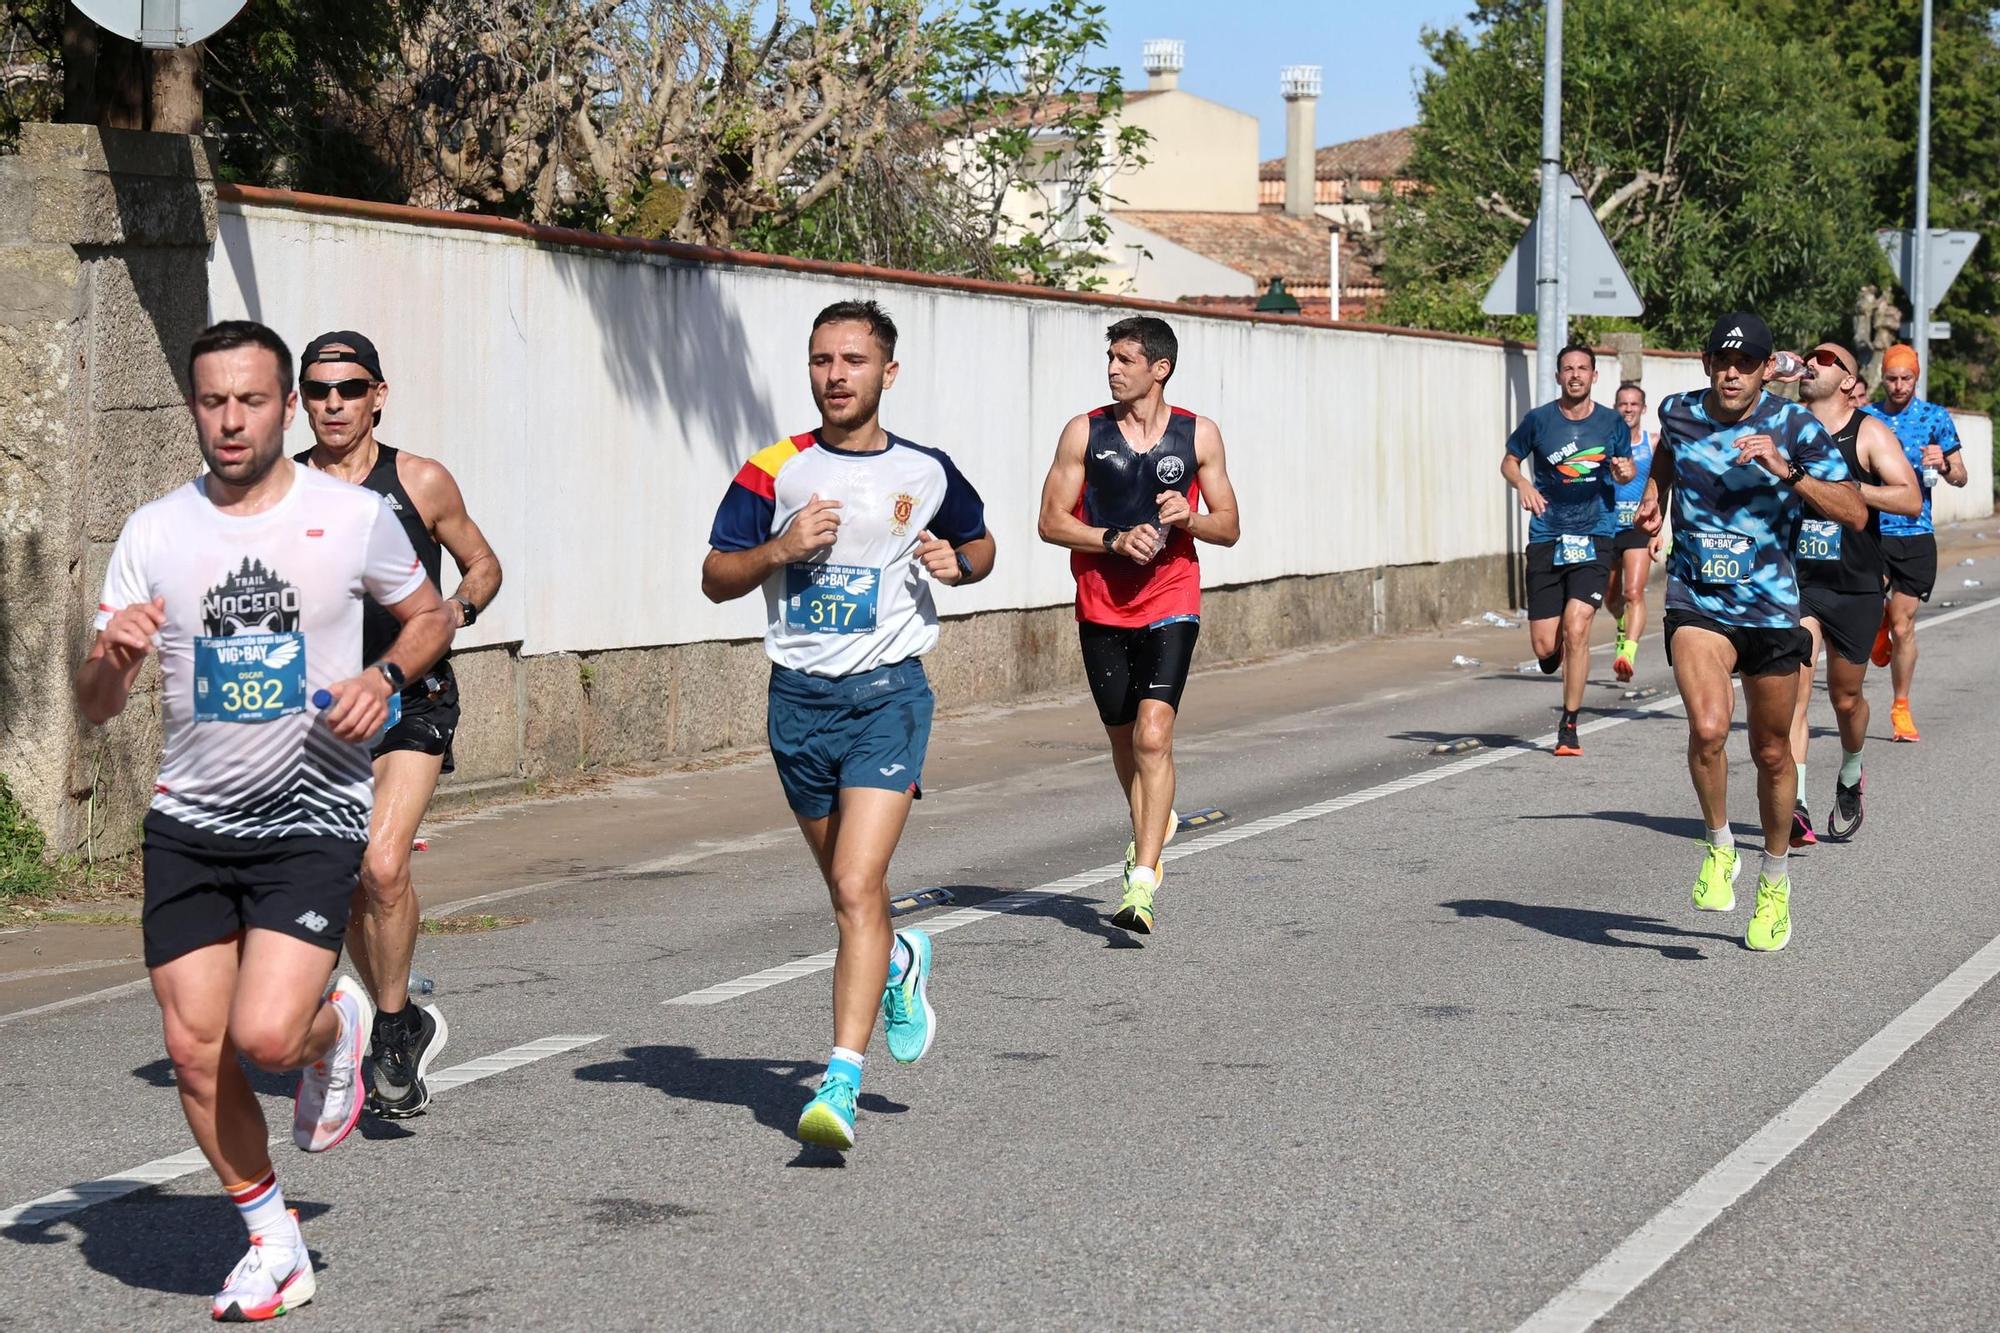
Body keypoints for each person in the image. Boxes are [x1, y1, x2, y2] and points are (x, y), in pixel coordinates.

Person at [75, 321, 451, 1319]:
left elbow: (432, 616)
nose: (231, 420)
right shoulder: (154, 531)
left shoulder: (354, 515)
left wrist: (385, 676)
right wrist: (110, 659)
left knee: (267, 1036)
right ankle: (272, 1239)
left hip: (309, 814)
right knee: (197, 1051)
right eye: (212, 401)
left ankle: (338, 1027)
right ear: (191, 407)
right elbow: (95, 702)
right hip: (189, 822)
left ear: (286, 407)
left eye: (250, 401)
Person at [702, 300, 994, 1151]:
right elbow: (717, 575)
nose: (836, 374)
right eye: (822, 359)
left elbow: (980, 547)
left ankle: (839, 1078)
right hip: (798, 701)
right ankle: (899, 960)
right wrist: (779, 550)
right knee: (846, 891)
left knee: (860, 885)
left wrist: (959, 563)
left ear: (887, 374)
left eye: (853, 360)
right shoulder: (773, 469)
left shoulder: (927, 471)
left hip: (889, 696)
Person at [293, 331, 502, 1119]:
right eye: (319, 390)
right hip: (320, 709)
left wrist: (456, 609)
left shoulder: (417, 479)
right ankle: (402, 1014)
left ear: (379, 394)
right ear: (301, 401)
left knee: (382, 866)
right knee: (349, 878)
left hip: (413, 695)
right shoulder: (282, 489)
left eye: (349, 388)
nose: (334, 403)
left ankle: (385, 1027)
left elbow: (483, 563)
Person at [1634, 312, 1863, 952]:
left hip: (1770, 610)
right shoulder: (1678, 411)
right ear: (1707, 363)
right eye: (1721, 361)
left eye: (1746, 363)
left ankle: (1775, 882)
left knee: (1770, 753)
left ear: (1766, 370)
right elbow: (1666, 454)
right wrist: (1655, 493)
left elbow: (1853, 509)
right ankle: (1718, 845)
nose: (1731, 373)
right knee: (1707, 728)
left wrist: (1787, 470)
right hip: (1698, 599)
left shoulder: (1794, 426)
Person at [1036, 316, 1241, 934]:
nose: (1113, 369)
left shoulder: (1198, 434)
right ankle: (1156, 817)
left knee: (1155, 736)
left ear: (1160, 368)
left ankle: (1143, 878)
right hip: (1101, 603)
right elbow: (1049, 521)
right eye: (1110, 359)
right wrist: (1112, 538)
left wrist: (1188, 519)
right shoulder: (1084, 432)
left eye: (1125, 359)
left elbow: (1228, 526)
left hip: (1171, 599)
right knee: (1125, 741)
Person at [1786, 341, 1921, 845]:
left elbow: (1908, 498)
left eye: (1825, 360)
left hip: (1855, 585)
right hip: (1798, 582)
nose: (1811, 363)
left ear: (1847, 380)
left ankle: (1851, 770)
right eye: (1808, 357)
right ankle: (1795, 803)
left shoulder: (1868, 432)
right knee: (1794, 695)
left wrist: (1845, 491)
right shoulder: (1787, 425)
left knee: (1845, 699)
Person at [1501, 344, 1636, 755]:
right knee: (1545, 646)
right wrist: (1522, 483)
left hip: (1596, 533)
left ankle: (1569, 724)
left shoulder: (1612, 423)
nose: (1575, 375)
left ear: (1595, 376)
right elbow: (1509, 460)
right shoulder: (1538, 420)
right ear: (1559, 377)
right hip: (1547, 535)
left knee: (1578, 626)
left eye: (1583, 368)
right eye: (1568, 369)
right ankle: (1553, 648)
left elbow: (1626, 466)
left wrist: (1624, 471)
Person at [1863, 343, 1968, 741]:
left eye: (1906, 378)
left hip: (1915, 533)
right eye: (1892, 378)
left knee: (1904, 628)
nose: (1899, 386)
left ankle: (1901, 708)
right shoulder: (1868, 417)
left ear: (1917, 378)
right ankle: (1878, 624)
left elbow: (1961, 476)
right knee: (1875, 610)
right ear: (1883, 378)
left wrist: (1943, 464)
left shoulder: (1934, 418)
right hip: (1871, 532)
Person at [1604, 381, 1661, 682]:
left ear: (1643, 409)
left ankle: (1628, 652)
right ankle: (1622, 623)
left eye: (1633, 404)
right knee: (1611, 598)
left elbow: (1663, 486)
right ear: (1616, 408)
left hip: (1637, 527)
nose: (1628, 409)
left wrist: (1657, 529)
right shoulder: (1605, 442)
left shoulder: (1652, 443)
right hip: (1607, 528)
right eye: (1623, 404)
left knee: (1633, 591)